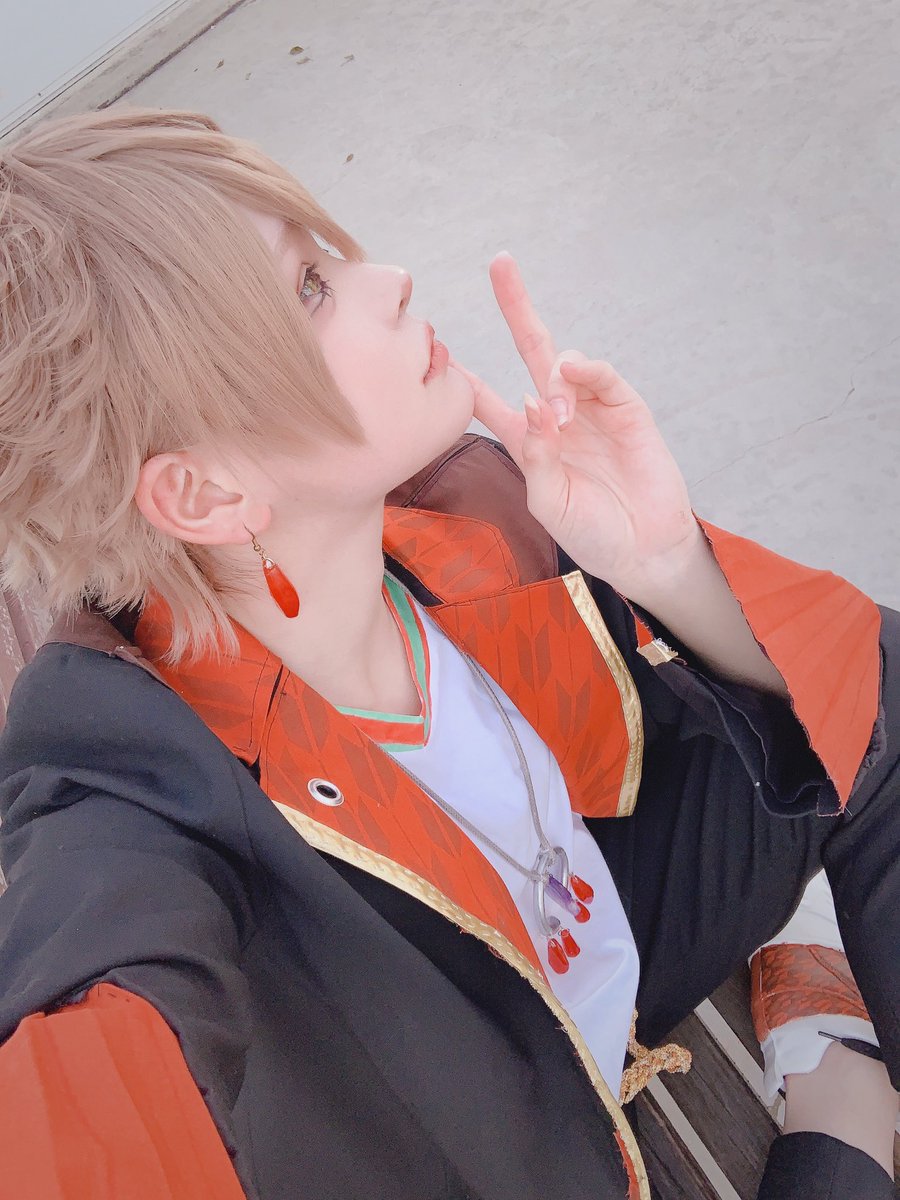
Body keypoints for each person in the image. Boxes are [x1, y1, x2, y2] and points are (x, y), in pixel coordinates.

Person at [0, 107, 896, 1200]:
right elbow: (86, 1111)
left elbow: (844, 690)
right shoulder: (132, 820)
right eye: (310, 288)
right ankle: (840, 1113)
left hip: (586, 954)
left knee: (873, 686)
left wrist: (668, 566)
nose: (392, 279)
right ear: (206, 490)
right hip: (508, 1131)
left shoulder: (453, 516)